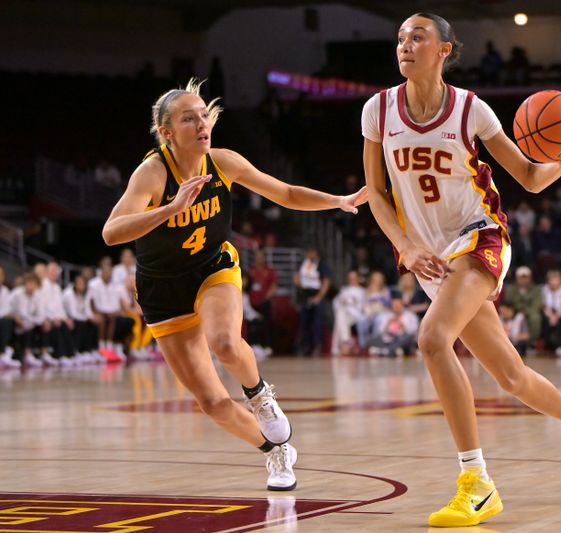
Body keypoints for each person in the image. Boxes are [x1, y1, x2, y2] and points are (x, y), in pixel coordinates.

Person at [360, 13, 561, 527]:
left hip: (479, 238)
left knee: (432, 340)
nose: (405, 45)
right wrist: (405, 246)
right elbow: (376, 195)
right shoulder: (377, 111)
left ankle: (476, 482)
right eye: (401, 38)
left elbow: (528, 176)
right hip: (428, 256)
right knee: (511, 376)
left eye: (418, 37)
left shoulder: (471, 110)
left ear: (445, 50)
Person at [102, 79, 367, 491]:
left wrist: (337, 200)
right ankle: (275, 451)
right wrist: (170, 208)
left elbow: (287, 193)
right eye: (188, 119)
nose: (201, 123)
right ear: (167, 132)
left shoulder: (223, 162)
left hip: (213, 267)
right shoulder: (152, 173)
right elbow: (112, 232)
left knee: (225, 341)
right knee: (211, 403)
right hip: (162, 289)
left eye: (204, 115)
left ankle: (259, 394)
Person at [293, 247, 331, 356]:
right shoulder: (303, 263)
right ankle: (305, 346)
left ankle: (317, 346)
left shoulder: (322, 265)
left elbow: (326, 282)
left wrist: (319, 297)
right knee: (304, 322)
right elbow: (296, 277)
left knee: (317, 322)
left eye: (312, 252)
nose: (309, 254)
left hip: (317, 295)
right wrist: (301, 287)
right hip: (305, 295)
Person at [331, 271, 367, 356]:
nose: (352, 280)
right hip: (344, 313)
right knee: (340, 315)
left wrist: (351, 303)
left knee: (339, 318)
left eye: (354, 278)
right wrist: (342, 302)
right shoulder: (344, 290)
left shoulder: (363, 291)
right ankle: (345, 341)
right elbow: (336, 303)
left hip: (356, 315)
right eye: (350, 278)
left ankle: (338, 346)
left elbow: (362, 306)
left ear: (358, 279)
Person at [0, 267, 20, 368]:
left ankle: (4, 354)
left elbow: (7, 309)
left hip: (2, 319)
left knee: (9, 321)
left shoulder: (5, 290)